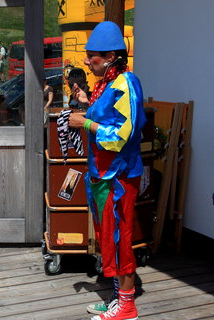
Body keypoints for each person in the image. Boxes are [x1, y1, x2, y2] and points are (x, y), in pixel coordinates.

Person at [68, 21, 146, 320]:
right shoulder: (106, 85)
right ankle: (117, 296)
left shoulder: (127, 83)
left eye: (93, 56)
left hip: (120, 176)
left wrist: (84, 122)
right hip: (102, 175)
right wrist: (87, 104)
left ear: (112, 55)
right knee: (107, 236)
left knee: (120, 237)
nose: (87, 61)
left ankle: (127, 305)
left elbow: (121, 135)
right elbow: (108, 118)